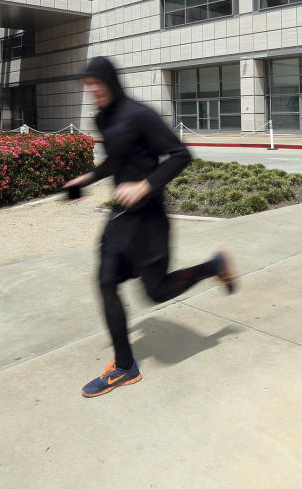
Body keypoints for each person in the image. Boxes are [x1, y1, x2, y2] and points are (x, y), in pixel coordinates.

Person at [63, 56, 237, 398]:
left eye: (96, 85)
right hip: (121, 218)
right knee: (105, 281)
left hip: (150, 222)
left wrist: (144, 185)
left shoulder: (140, 114)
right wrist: (87, 178)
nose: (92, 91)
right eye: (88, 87)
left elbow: (180, 154)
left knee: (155, 292)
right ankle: (125, 367)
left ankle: (213, 266)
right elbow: (117, 159)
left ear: (110, 82)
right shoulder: (103, 117)